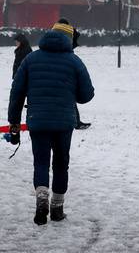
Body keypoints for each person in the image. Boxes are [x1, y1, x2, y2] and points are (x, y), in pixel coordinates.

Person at [7, 19, 95, 225]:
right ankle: (57, 208)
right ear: (69, 39)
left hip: (38, 120)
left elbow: (17, 92)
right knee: (61, 164)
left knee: (41, 162)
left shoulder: (31, 59)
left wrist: (14, 122)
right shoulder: (75, 62)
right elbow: (86, 95)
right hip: (64, 122)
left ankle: (41, 199)